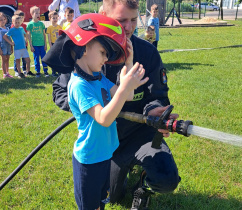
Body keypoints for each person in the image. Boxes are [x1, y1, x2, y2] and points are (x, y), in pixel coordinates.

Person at [51, 0, 180, 209]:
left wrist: (154, 111)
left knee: (166, 177)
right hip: (105, 145)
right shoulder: (87, 50)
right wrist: (88, 105)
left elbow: (158, 95)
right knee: (111, 196)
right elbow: (60, 91)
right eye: (120, 20)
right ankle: (121, 171)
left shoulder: (147, 53)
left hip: (140, 134)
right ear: (103, 14)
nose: (128, 28)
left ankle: (143, 187)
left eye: (133, 20)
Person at [44, 13, 149, 210]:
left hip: (104, 155)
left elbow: (125, 96)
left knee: (101, 202)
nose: (106, 58)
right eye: (102, 52)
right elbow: (103, 118)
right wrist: (125, 87)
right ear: (84, 47)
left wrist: (129, 62)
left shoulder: (97, 78)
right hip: (89, 162)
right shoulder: (79, 85)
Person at [26, 6, 47, 77]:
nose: (38, 15)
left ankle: (45, 71)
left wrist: (45, 44)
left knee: (44, 58)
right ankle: (38, 71)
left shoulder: (41, 24)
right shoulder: (29, 24)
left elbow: (44, 35)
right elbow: (28, 36)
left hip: (42, 45)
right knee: (36, 59)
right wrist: (31, 45)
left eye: (39, 13)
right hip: (35, 45)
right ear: (32, 14)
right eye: (36, 13)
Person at [0, 12, 13, 79]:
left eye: (4, 19)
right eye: (1, 20)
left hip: (8, 45)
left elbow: (9, 38)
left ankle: (7, 72)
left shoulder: (7, 28)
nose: (3, 21)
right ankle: (4, 73)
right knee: (3, 59)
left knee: (7, 59)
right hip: (2, 46)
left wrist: (11, 46)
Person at [11, 10, 27, 77]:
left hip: (24, 45)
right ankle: (16, 70)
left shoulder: (24, 25)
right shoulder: (13, 26)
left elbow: (25, 35)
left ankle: (24, 69)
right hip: (17, 45)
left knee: (24, 58)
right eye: (20, 17)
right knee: (17, 59)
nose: (21, 19)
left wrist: (26, 40)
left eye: (22, 17)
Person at [46, 11, 62, 77]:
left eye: (56, 18)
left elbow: (61, 37)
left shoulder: (59, 27)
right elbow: (49, 38)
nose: (55, 19)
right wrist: (50, 46)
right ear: (50, 18)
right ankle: (53, 72)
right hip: (53, 44)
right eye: (53, 18)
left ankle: (59, 71)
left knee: (59, 58)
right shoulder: (49, 28)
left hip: (58, 44)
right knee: (54, 59)